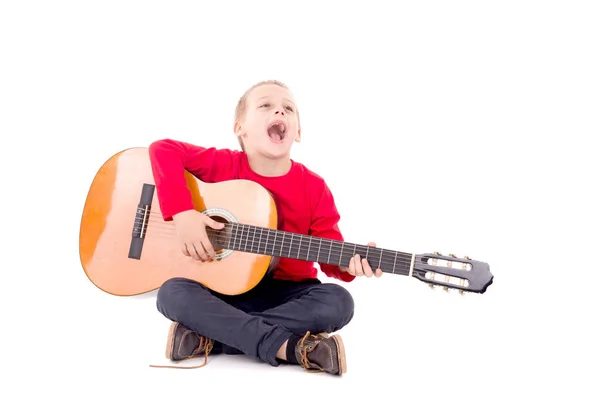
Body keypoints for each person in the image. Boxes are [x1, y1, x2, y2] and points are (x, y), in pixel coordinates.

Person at [147, 80, 382, 375]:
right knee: (172, 293)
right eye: (266, 106)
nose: (280, 113)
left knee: (338, 302)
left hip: (288, 294)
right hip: (222, 290)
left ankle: (212, 336)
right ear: (240, 128)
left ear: (298, 132)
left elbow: (330, 256)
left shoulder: (315, 188)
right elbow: (163, 149)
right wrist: (183, 214)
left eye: (288, 109)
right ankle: (294, 348)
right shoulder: (224, 165)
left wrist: (350, 266)